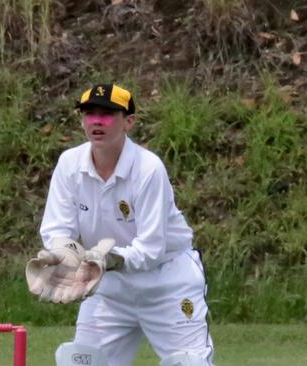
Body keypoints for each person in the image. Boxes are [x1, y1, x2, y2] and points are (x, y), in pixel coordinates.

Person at [31, 84, 215, 365]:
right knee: (82, 361)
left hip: (167, 284)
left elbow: (151, 250)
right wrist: (64, 254)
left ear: (129, 122)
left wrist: (107, 259)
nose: (96, 121)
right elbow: (57, 229)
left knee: (188, 363)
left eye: (107, 114)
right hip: (109, 287)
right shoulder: (69, 164)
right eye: (89, 114)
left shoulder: (148, 168)